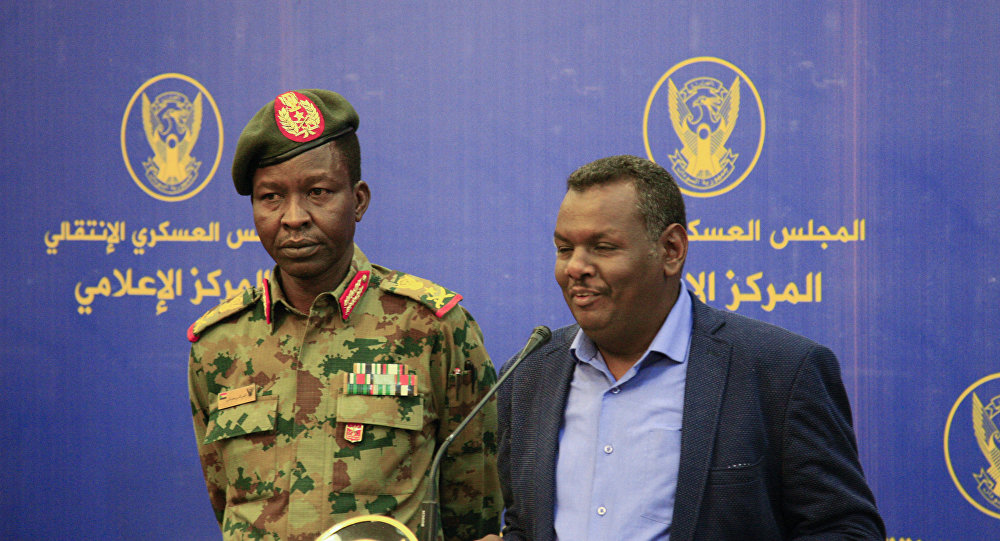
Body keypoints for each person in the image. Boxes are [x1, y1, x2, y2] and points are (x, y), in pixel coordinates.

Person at [490, 155, 885, 540]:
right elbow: (525, 525)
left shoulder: (781, 371)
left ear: (672, 250)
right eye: (564, 249)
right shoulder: (527, 376)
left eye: (603, 247)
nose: (575, 267)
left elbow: (846, 530)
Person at [187, 89, 501, 541]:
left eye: (318, 192)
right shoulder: (218, 343)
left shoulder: (433, 328)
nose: (293, 217)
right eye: (271, 197)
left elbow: (473, 512)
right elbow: (227, 502)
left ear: (358, 200)